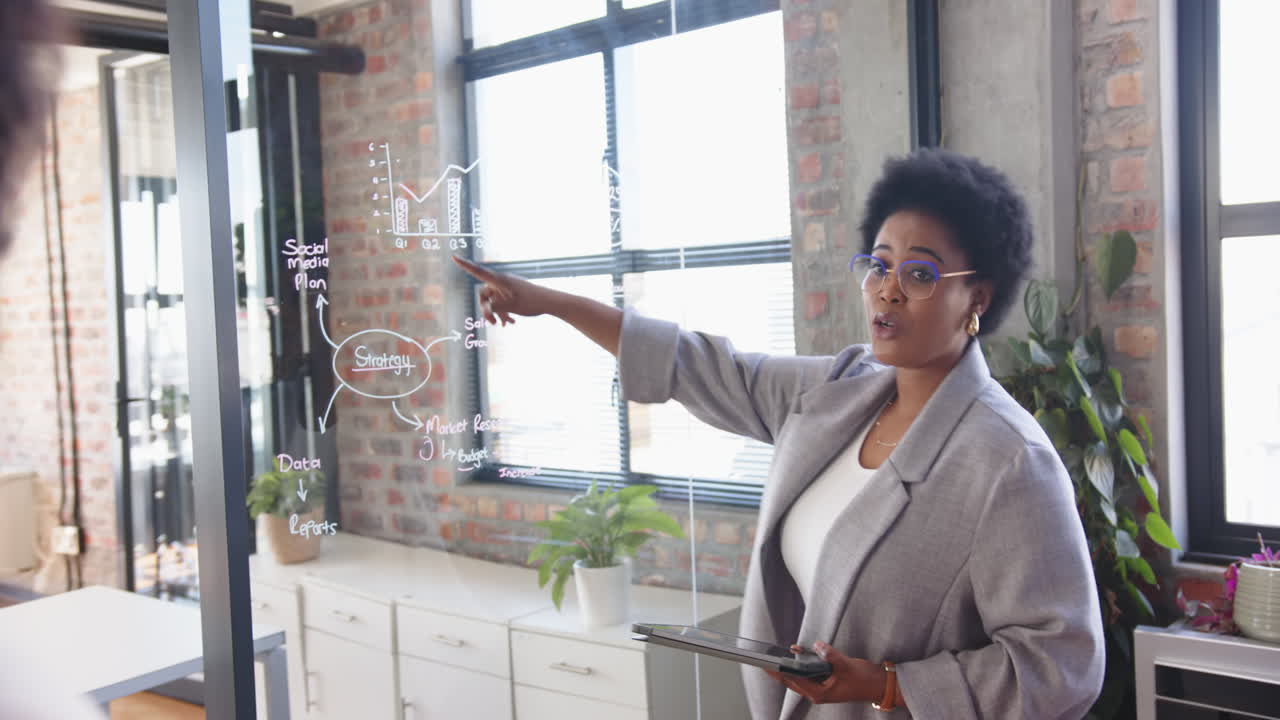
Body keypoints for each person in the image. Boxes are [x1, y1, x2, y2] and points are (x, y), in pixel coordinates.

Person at [452, 147, 1104, 719]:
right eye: (878, 265)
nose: (888, 291)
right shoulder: (837, 389)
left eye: (921, 273)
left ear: (978, 298)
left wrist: (886, 685)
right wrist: (554, 304)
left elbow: (1062, 666)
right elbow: (702, 366)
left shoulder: (1008, 462)